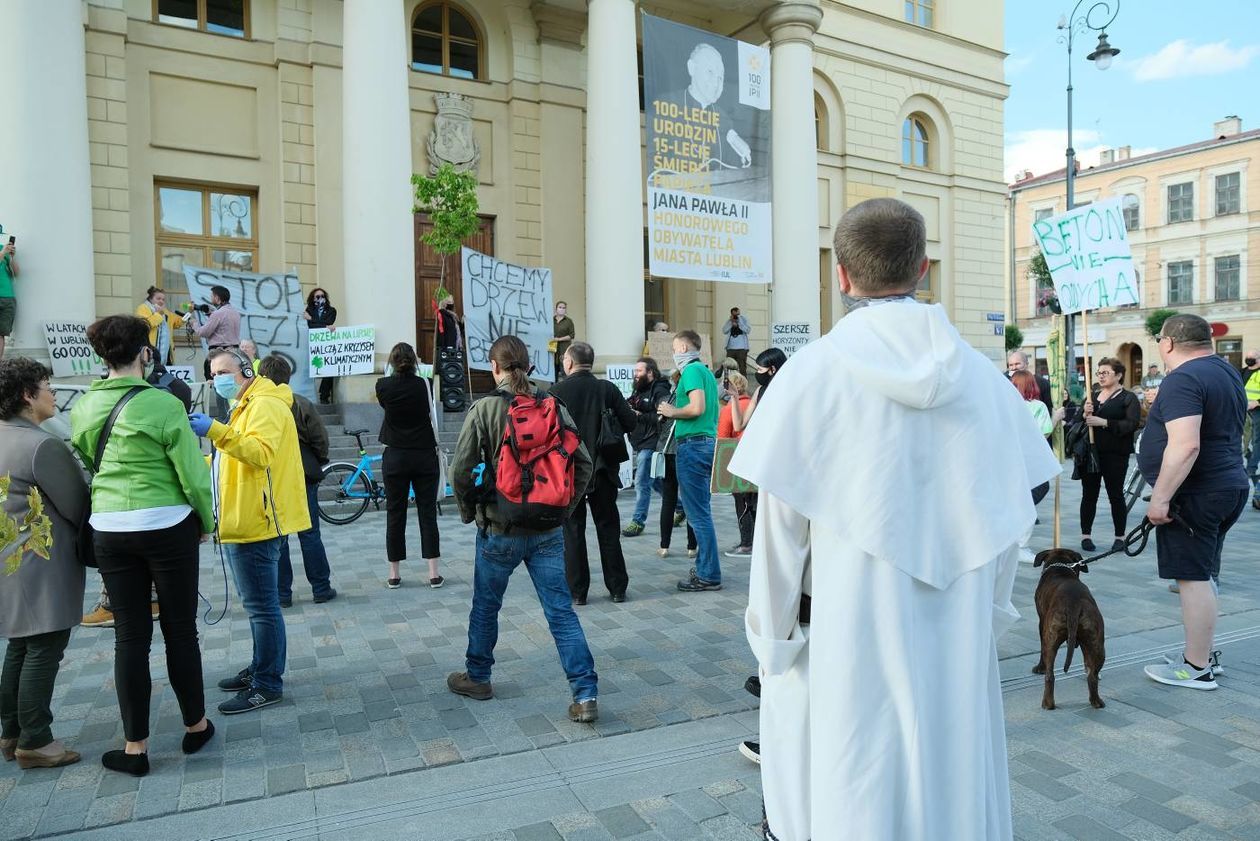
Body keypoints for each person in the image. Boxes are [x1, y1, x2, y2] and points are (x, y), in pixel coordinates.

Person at [732, 198, 1059, 840]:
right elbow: (1006, 520)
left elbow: (778, 532)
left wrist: (773, 645)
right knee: (951, 790)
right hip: (957, 623)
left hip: (846, 627)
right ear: (924, 267)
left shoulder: (809, 375)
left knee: (856, 784)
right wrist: (986, 618)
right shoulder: (987, 381)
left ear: (841, 276)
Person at [70, 316, 216, 776]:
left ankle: (135, 747)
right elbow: (191, 473)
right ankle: (196, 726)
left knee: (129, 636)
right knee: (180, 629)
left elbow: (85, 456)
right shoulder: (163, 403)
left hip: (110, 525)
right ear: (145, 353)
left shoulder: (84, 405)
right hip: (167, 522)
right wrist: (207, 521)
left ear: (101, 356)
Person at [448, 335, 599, 722]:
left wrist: (472, 512)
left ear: (494, 367)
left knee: (486, 606)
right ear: (529, 366)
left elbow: (460, 472)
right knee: (561, 612)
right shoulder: (552, 404)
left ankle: (478, 677)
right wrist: (563, 509)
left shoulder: (484, 409)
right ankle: (584, 694)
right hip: (547, 529)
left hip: (499, 528)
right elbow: (582, 463)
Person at [188, 346, 310, 715]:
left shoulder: (265, 405)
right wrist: (202, 458)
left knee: (262, 608)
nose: (217, 380)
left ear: (244, 370)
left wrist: (215, 431)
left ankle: (268, 683)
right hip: (243, 518)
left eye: (222, 372)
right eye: (212, 374)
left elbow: (259, 453)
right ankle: (260, 668)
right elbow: (233, 459)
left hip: (258, 520)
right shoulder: (245, 405)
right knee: (258, 606)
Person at [1139, 315, 1250, 690]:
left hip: (1197, 493)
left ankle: (1196, 666)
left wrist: (1160, 499)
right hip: (1226, 486)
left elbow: (1186, 445)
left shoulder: (1184, 378)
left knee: (1193, 578)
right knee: (1204, 574)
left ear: (1167, 343)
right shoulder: (1224, 370)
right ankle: (1202, 653)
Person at [0, 358, 89, 769]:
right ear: (26, 395)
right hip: (42, 560)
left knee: (20, 645)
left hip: (10, 559)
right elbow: (76, 504)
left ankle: (12, 730)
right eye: (46, 385)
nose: (53, 393)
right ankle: (36, 738)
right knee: (44, 648)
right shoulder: (41, 444)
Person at [551, 342, 636, 604]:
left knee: (572, 531)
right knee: (608, 528)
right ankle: (617, 588)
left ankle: (577, 592)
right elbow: (630, 422)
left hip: (569, 470)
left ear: (568, 363)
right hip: (602, 468)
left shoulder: (556, 392)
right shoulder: (606, 389)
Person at [257, 355, 337, 608]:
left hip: (273, 474)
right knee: (310, 532)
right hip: (303, 473)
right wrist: (318, 458)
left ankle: (282, 594)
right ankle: (321, 588)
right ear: (287, 378)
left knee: (279, 534)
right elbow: (319, 438)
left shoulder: (258, 406)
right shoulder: (300, 403)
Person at [375, 343, 444, 590]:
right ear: (415, 361)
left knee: (395, 514)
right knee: (427, 513)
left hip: (395, 456)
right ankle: (433, 573)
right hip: (424, 455)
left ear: (392, 363)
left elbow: (386, 404)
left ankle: (394, 573)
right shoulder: (424, 384)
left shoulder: (382, 386)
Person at [657, 330, 721, 592]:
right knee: (701, 512)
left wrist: (672, 411)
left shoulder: (692, 371)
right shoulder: (705, 371)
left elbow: (697, 408)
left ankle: (709, 574)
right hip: (704, 443)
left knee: (698, 515)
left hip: (693, 445)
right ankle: (709, 570)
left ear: (683, 347)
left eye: (674, 348)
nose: (673, 353)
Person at [1076, 358, 1140, 552]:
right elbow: (1078, 422)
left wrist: (1103, 422)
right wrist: (1084, 412)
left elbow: (1132, 424)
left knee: (1116, 495)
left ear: (1119, 375)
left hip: (1115, 454)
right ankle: (1086, 536)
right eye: (1099, 373)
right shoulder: (1092, 396)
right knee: (1089, 495)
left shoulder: (1128, 398)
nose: (1101, 376)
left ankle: (1120, 537)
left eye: (1105, 373)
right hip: (1091, 453)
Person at [622, 357, 672, 538]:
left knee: (642, 480)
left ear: (650, 372)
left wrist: (639, 415)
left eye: (639, 371)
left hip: (653, 441)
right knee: (654, 481)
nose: (635, 375)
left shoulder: (660, 389)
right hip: (641, 440)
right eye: (635, 371)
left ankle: (638, 521)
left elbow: (662, 417)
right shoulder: (639, 389)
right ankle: (680, 507)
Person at [190, 285, 241, 420]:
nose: (211, 298)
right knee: (231, 385)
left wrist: (193, 323)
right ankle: (233, 417)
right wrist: (209, 314)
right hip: (234, 352)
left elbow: (203, 332)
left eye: (212, 296)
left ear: (217, 298)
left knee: (220, 385)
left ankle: (224, 419)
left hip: (219, 353)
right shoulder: (234, 312)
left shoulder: (219, 314)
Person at [717, 371, 754, 557]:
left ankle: (746, 543)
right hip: (756, 460)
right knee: (755, 502)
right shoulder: (755, 404)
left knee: (742, 502)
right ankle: (756, 541)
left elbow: (723, 439)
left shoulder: (730, 408)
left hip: (738, 462)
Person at [730, 347, 786, 435]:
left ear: (773, 369)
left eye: (760, 369)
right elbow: (739, 426)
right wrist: (734, 396)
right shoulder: (760, 390)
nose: (757, 373)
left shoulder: (788, 391)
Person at [135, 287, 188, 366]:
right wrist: (158, 314)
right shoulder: (142, 308)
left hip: (166, 353)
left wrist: (188, 314)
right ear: (151, 299)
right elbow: (145, 325)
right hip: (150, 351)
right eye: (158, 298)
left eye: (163, 299)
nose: (161, 301)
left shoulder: (165, 311)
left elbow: (178, 323)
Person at [302, 288, 338, 404]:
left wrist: (312, 320)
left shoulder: (332, 310)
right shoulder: (309, 310)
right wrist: (324, 326)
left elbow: (329, 322)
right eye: (317, 297)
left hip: (326, 345)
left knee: (329, 368)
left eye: (322, 296)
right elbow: (311, 326)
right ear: (313, 298)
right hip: (312, 344)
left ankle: (324, 395)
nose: (320, 299)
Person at [1242, 350, 1260, 483]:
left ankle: (1251, 468)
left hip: (1257, 411)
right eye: (1247, 356)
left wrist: (1257, 402)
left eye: (1251, 357)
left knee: (1256, 440)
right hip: (1243, 410)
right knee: (1244, 439)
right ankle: (1248, 456)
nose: (1248, 358)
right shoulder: (1242, 371)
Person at [0, 233, 19, 360]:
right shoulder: (2, 250)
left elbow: (16, 273)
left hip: (7, 298)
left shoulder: (4, 248)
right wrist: (2, 253)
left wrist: (11, 258)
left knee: (1, 334)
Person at [722, 307, 751, 376]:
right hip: (730, 348)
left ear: (739, 312)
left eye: (737, 314)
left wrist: (739, 323)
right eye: (734, 314)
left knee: (742, 367)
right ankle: (728, 382)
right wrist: (731, 322)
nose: (735, 316)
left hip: (742, 348)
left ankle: (743, 383)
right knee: (729, 366)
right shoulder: (729, 321)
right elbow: (724, 331)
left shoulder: (743, 320)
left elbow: (748, 330)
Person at [552, 302, 575, 381]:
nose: (561, 309)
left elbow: (571, 335)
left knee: (564, 368)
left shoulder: (568, 321)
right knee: (553, 369)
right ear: (556, 309)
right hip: (552, 349)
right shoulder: (551, 320)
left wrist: (559, 339)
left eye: (563, 308)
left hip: (564, 348)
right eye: (560, 307)